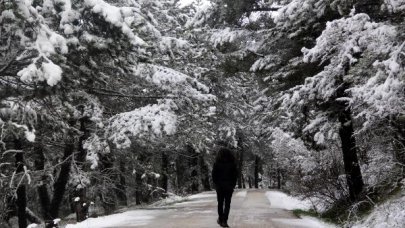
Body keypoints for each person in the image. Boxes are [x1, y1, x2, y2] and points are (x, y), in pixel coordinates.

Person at [212, 147, 238, 228]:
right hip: (229, 186)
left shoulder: (216, 163)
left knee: (220, 203)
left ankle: (220, 218)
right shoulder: (232, 163)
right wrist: (233, 185)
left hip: (219, 186)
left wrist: (216, 184)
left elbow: (213, 175)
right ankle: (224, 221)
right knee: (227, 204)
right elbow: (235, 175)